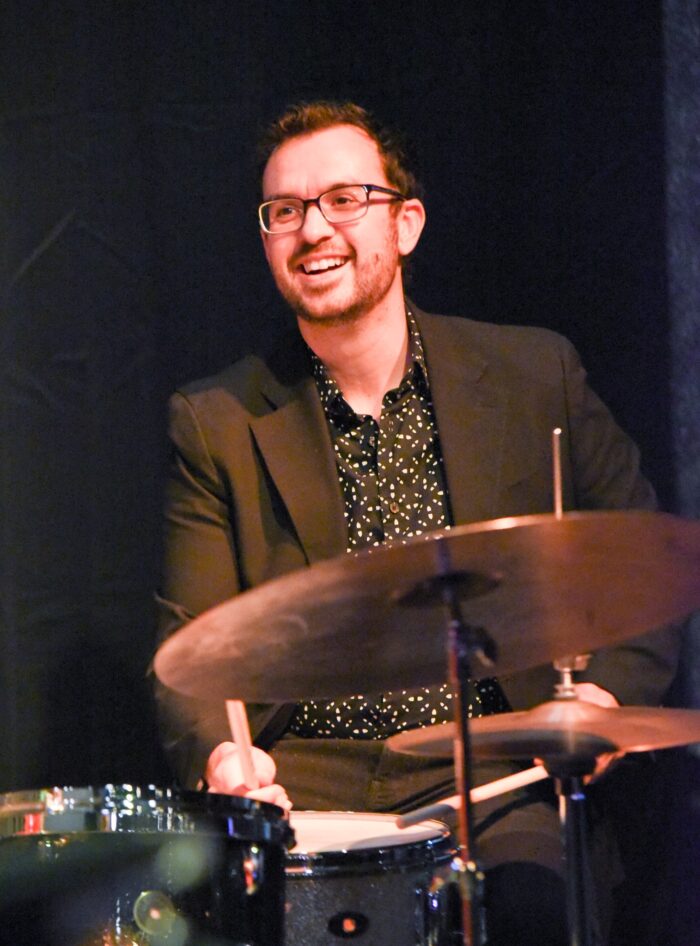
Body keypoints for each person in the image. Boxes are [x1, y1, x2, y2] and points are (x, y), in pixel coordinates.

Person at [155, 101, 679, 945]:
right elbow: (191, 644)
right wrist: (228, 759)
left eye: (342, 200)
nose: (312, 229)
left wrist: (605, 698)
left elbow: (642, 559)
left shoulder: (534, 372)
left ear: (406, 224)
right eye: (284, 210)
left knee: (531, 913)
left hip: (495, 766)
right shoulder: (216, 419)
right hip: (309, 776)